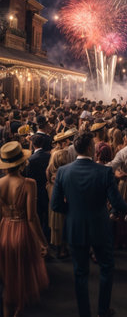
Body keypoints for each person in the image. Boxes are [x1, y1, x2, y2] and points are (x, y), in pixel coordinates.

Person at [51, 132, 127, 317]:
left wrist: (72, 212)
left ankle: (84, 313)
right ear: (88, 149)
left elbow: (55, 205)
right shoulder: (104, 172)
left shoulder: (63, 171)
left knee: (80, 274)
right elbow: (116, 203)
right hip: (100, 226)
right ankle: (103, 310)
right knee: (106, 267)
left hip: (75, 226)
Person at [0, 141, 48, 317]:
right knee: (22, 278)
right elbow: (31, 217)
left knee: (8, 281)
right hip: (22, 233)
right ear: (21, 162)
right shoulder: (29, 183)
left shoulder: (0, 183)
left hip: (4, 231)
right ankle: (18, 310)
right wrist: (43, 242)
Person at [23, 134, 51, 238]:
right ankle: (47, 235)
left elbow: (29, 176)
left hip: (35, 189)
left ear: (33, 144)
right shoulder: (49, 156)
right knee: (47, 213)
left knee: (38, 213)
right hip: (46, 187)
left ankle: (39, 235)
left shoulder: (30, 159)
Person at [46, 149, 70, 258]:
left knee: (56, 227)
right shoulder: (62, 175)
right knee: (62, 226)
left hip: (52, 204)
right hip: (61, 204)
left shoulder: (49, 172)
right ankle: (63, 249)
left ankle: (58, 248)